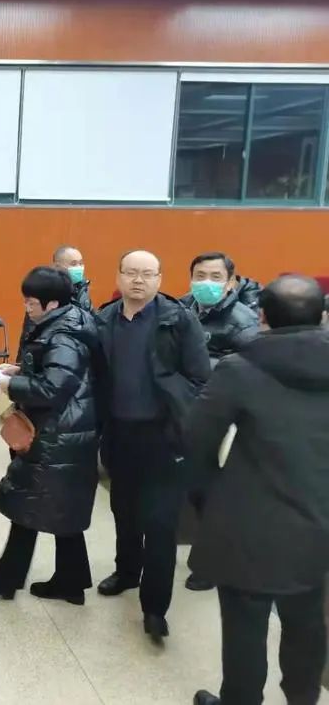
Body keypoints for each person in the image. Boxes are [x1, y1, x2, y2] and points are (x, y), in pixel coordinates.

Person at [189, 276, 329, 705]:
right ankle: (303, 698)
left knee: (244, 626)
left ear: (262, 316)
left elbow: (196, 443)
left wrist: (209, 501)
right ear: (322, 315)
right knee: (307, 621)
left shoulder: (239, 368)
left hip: (246, 522)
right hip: (319, 521)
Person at [94, 250, 210, 644]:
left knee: (160, 525)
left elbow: (200, 379)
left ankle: (155, 608)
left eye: (147, 273)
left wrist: (173, 402)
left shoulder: (179, 320)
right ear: (119, 276)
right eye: (130, 273)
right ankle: (127, 572)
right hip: (119, 435)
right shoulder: (104, 319)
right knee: (124, 512)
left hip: (165, 438)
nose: (138, 280)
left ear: (160, 278)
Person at [0, 267, 99, 605]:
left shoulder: (64, 334)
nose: (26, 307)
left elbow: (54, 387)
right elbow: (56, 372)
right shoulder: (62, 323)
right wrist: (21, 370)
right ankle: (70, 581)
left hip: (59, 431)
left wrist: (12, 385)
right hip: (64, 429)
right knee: (56, 505)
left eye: (31, 303)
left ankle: (6, 579)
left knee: (30, 503)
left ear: (52, 303)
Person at [179, 251, 260, 593]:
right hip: (185, 409)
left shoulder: (242, 321)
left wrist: (202, 371)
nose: (206, 283)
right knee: (190, 486)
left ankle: (211, 562)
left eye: (215, 277)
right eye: (200, 276)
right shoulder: (182, 308)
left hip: (220, 416)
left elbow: (251, 369)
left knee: (210, 490)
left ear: (230, 283)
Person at [16, 245, 93, 362]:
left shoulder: (83, 291)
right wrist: (21, 366)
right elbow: (30, 335)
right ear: (57, 267)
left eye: (81, 263)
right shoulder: (45, 294)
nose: (79, 268)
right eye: (73, 264)